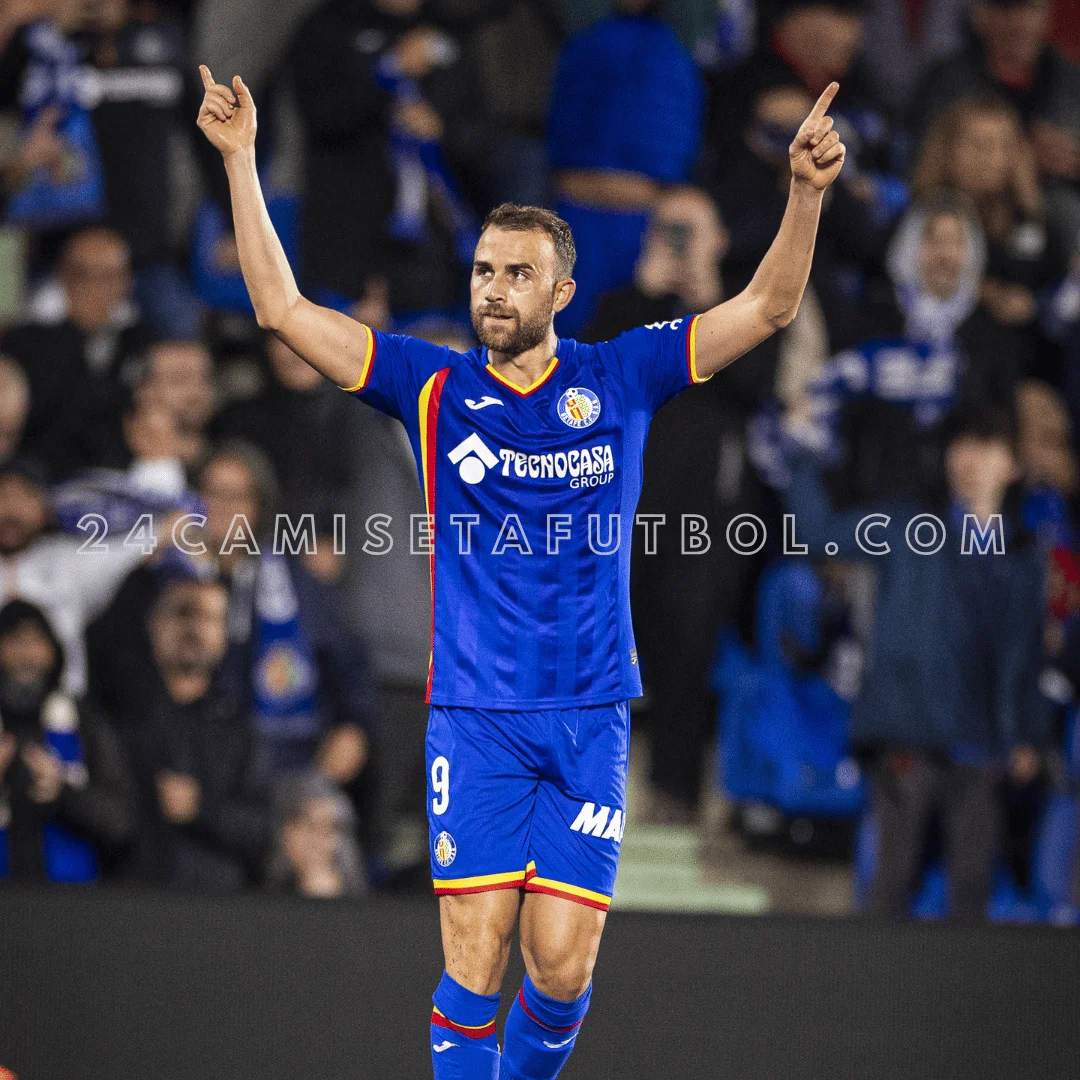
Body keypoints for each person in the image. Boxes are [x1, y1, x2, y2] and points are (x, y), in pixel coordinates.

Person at [197, 62, 846, 1078]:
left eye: (516, 275)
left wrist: (803, 196)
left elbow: (766, 307)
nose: (493, 290)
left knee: (559, 972)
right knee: (475, 960)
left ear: (562, 290)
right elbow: (281, 310)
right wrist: (240, 159)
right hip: (476, 714)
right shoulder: (431, 382)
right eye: (484, 272)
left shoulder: (623, 372)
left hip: (589, 715)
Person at [786, 404, 1049, 918]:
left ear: (1014, 465)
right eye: (962, 443)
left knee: (972, 891)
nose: (970, 458)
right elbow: (816, 534)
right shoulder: (909, 525)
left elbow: (1022, 649)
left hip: (980, 744)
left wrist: (1027, 735)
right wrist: (803, 453)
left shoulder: (1021, 555)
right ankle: (873, 997)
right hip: (906, 732)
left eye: (988, 446)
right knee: (889, 884)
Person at [548, 0, 704, 337]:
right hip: (577, 218)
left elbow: (678, 149)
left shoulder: (675, 56)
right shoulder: (583, 45)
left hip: (641, 222)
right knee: (562, 342)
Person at [120, 571, 272, 890]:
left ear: (224, 636)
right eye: (181, 613)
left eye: (208, 618)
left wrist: (201, 808)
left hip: (220, 906)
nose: (193, 628)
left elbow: (263, 832)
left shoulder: (241, 728)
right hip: (134, 902)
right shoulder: (121, 717)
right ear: (153, 625)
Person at [0, 227, 155, 478]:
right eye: (87, 276)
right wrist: (77, 334)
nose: (102, 289)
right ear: (64, 277)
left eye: (113, 276)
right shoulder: (26, 342)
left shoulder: (142, 340)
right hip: (40, 479)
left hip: (122, 480)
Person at [0, 599, 135, 882]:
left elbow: (122, 821)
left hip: (70, 906)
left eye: (37, 642)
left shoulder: (84, 720)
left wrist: (64, 793)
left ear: (54, 651)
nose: (27, 655)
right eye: (15, 641)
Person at [265, 770, 366, 896]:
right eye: (308, 826)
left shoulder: (358, 899)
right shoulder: (260, 891)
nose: (315, 841)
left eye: (326, 830)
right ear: (286, 831)